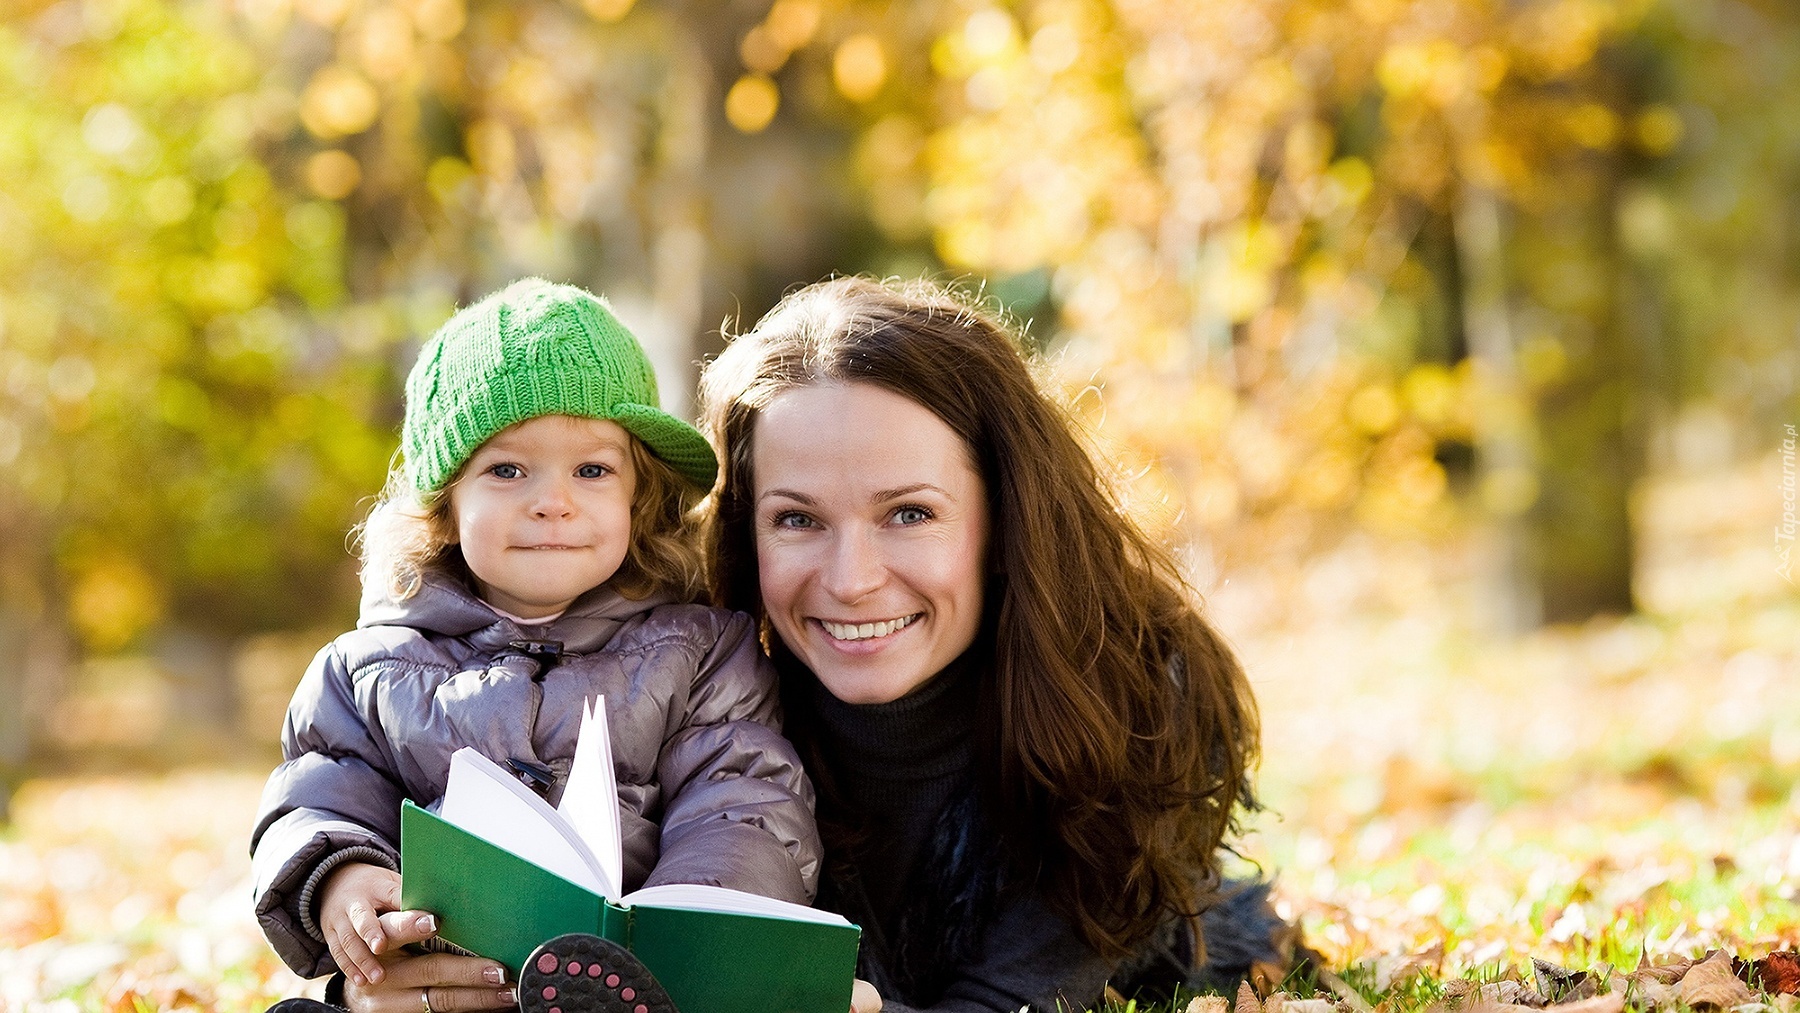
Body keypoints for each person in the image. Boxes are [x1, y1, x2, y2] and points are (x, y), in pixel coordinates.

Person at [698, 276, 1284, 1013]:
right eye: (796, 519)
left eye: (909, 513)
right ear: (746, 529)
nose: (851, 581)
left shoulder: (1135, 703)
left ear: (1008, 520)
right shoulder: (697, 703)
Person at [251, 278, 821, 1013]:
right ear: (446, 506)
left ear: (637, 497)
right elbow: (316, 794)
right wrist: (341, 881)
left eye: (592, 470)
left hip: (634, 991)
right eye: (507, 470)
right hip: (446, 986)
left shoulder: (702, 651)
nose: (553, 500)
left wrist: (687, 926)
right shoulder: (367, 669)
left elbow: (743, 803)